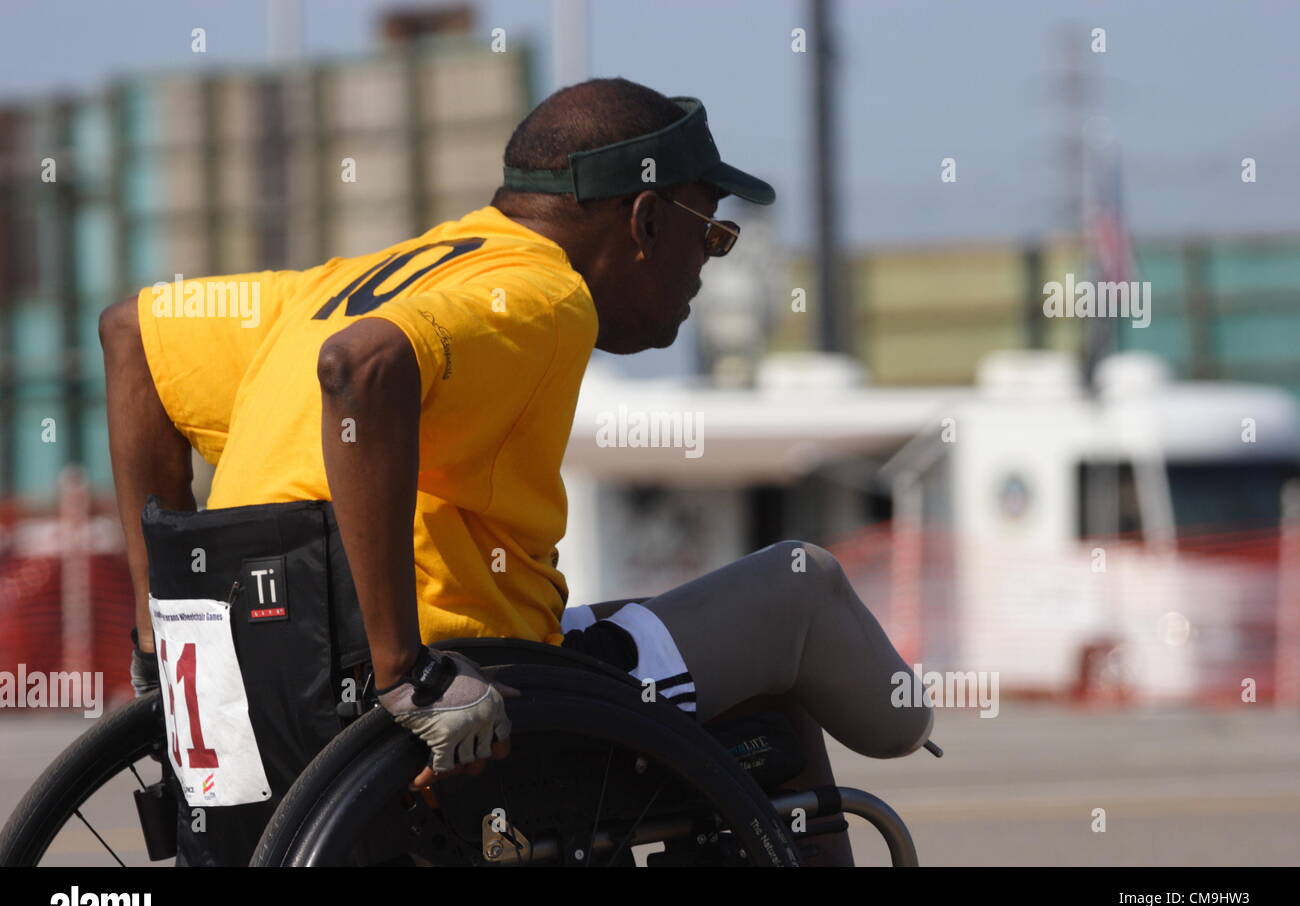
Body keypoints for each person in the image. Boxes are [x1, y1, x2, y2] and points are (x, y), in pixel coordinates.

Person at [100, 77, 931, 866]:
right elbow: (363, 367)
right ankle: (913, 716)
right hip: (474, 704)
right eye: (710, 234)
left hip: (261, 703)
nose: (706, 267)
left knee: (707, 655)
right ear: (644, 220)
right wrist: (403, 679)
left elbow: (134, 331)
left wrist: (160, 651)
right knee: (803, 587)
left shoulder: (346, 283)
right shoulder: (541, 293)